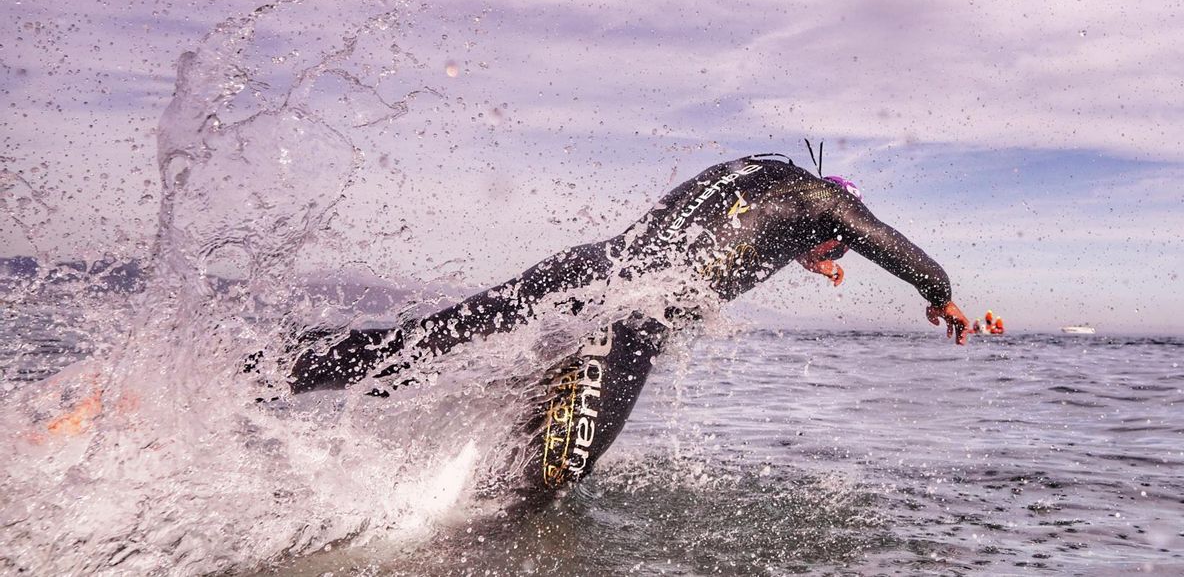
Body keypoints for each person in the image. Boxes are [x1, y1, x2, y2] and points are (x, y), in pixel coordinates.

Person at [285, 154, 973, 509]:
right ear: (834, 215)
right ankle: (442, 540)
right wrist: (939, 294)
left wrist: (805, 251)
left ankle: (274, 371)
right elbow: (881, 237)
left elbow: (733, 232)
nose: (824, 262)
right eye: (829, 251)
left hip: (586, 265)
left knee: (419, 344)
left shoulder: (748, 175)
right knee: (554, 477)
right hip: (640, 309)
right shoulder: (829, 200)